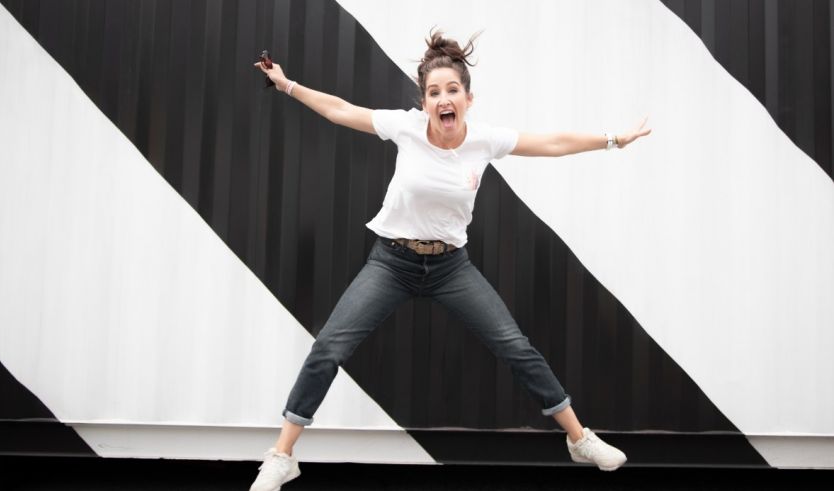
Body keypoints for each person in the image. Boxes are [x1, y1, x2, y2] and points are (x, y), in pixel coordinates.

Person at [250, 31, 651, 491]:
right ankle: (282, 455)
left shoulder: (484, 141)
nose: (443, 99)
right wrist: (287, 85)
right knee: (329, 348)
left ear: (467, 98)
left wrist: (614, 140)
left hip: (450, 268)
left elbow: (553, 143)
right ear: (424, 103)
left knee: (516, 347)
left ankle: (579, 439)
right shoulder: (405, 127)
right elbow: (341, 110)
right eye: (434, 92)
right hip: (391, 263)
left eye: (452, 90)